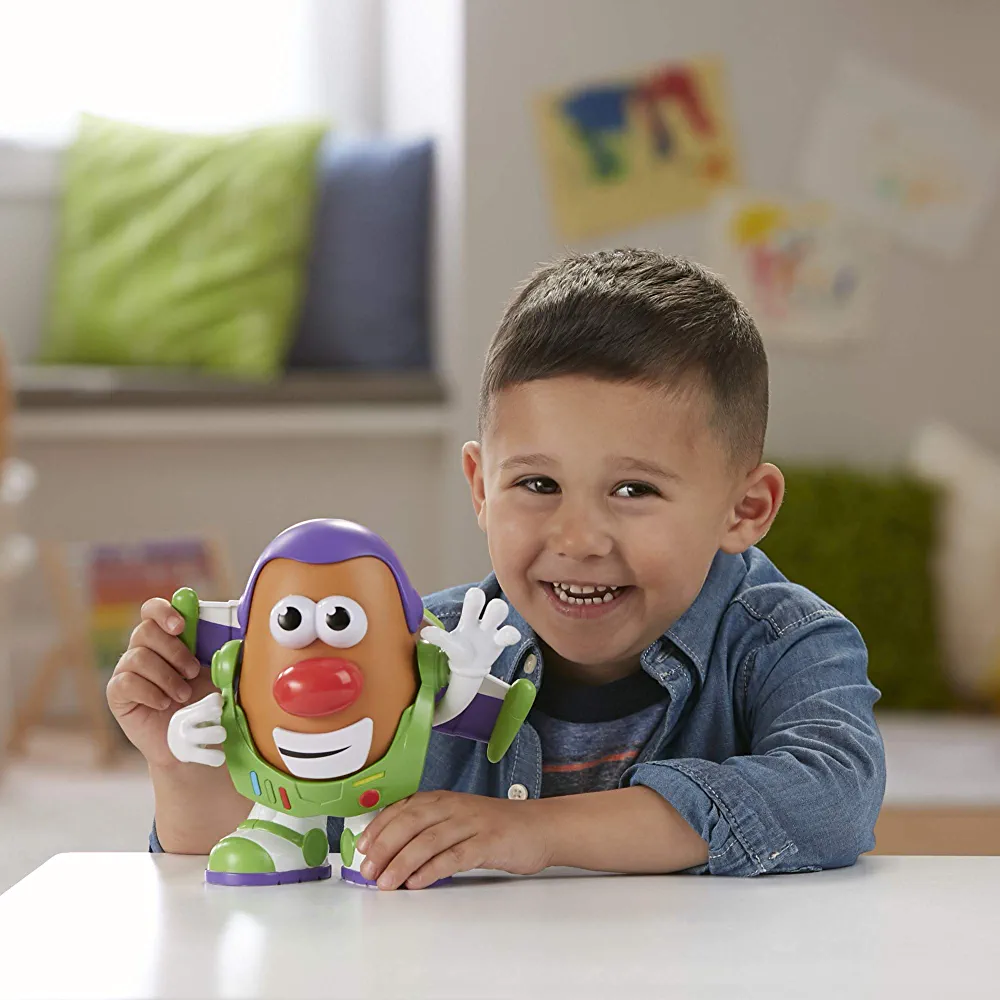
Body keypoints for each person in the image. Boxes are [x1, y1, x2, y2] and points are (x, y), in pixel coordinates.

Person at [108, 249, 885, 888]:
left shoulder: (787, 642)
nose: (578, 538)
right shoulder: (417, 648)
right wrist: (184, 765)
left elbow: (833, 796)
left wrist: (536, 831)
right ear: (481, 487)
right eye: (538, 485)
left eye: (634, 490)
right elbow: (266, 861)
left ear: (745, 508)